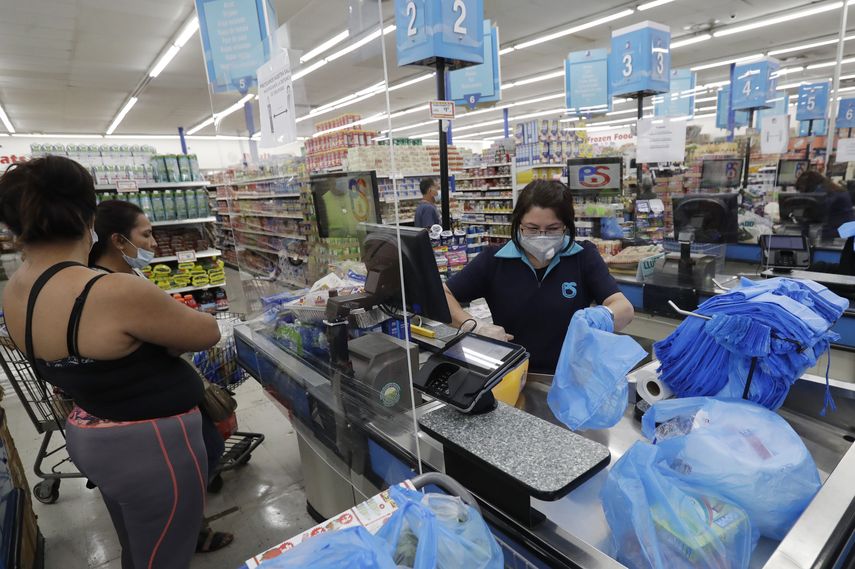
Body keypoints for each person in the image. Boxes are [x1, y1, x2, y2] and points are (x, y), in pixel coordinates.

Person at [0, 156, 221, 569]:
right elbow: (206, 331)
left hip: (90, 434)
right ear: (89, 216)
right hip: (152, 448)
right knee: (165, 556)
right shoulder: (112, 290)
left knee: (137, 545)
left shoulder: (15, 290)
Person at [88, 200, 234, 554]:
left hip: (148, 403)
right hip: (152, 413)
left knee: (206, 450)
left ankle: (189, 515)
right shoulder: (115, 287)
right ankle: (187, 527)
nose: (153, 243)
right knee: (207, 450)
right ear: (119, 240)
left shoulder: (115, 275)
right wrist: (179, 332)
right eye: (147, 233)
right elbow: (185, 338)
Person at [444, 180, 634, 374]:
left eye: (552, 229)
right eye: (532, 228)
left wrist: (601, 318)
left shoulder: (583, 256)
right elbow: (442, 295)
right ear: (519, 224)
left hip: (571, 376)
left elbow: (624, 309)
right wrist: (474, 326)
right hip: (512, 373)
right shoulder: (494, 260)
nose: (541, 236)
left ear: (565, 227)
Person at [795, 170, 855, 240]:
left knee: (801, 232)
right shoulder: (833, 190)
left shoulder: (822, 194)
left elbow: (816, 215)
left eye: (801, 189)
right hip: (846, 230)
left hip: (837, 232)